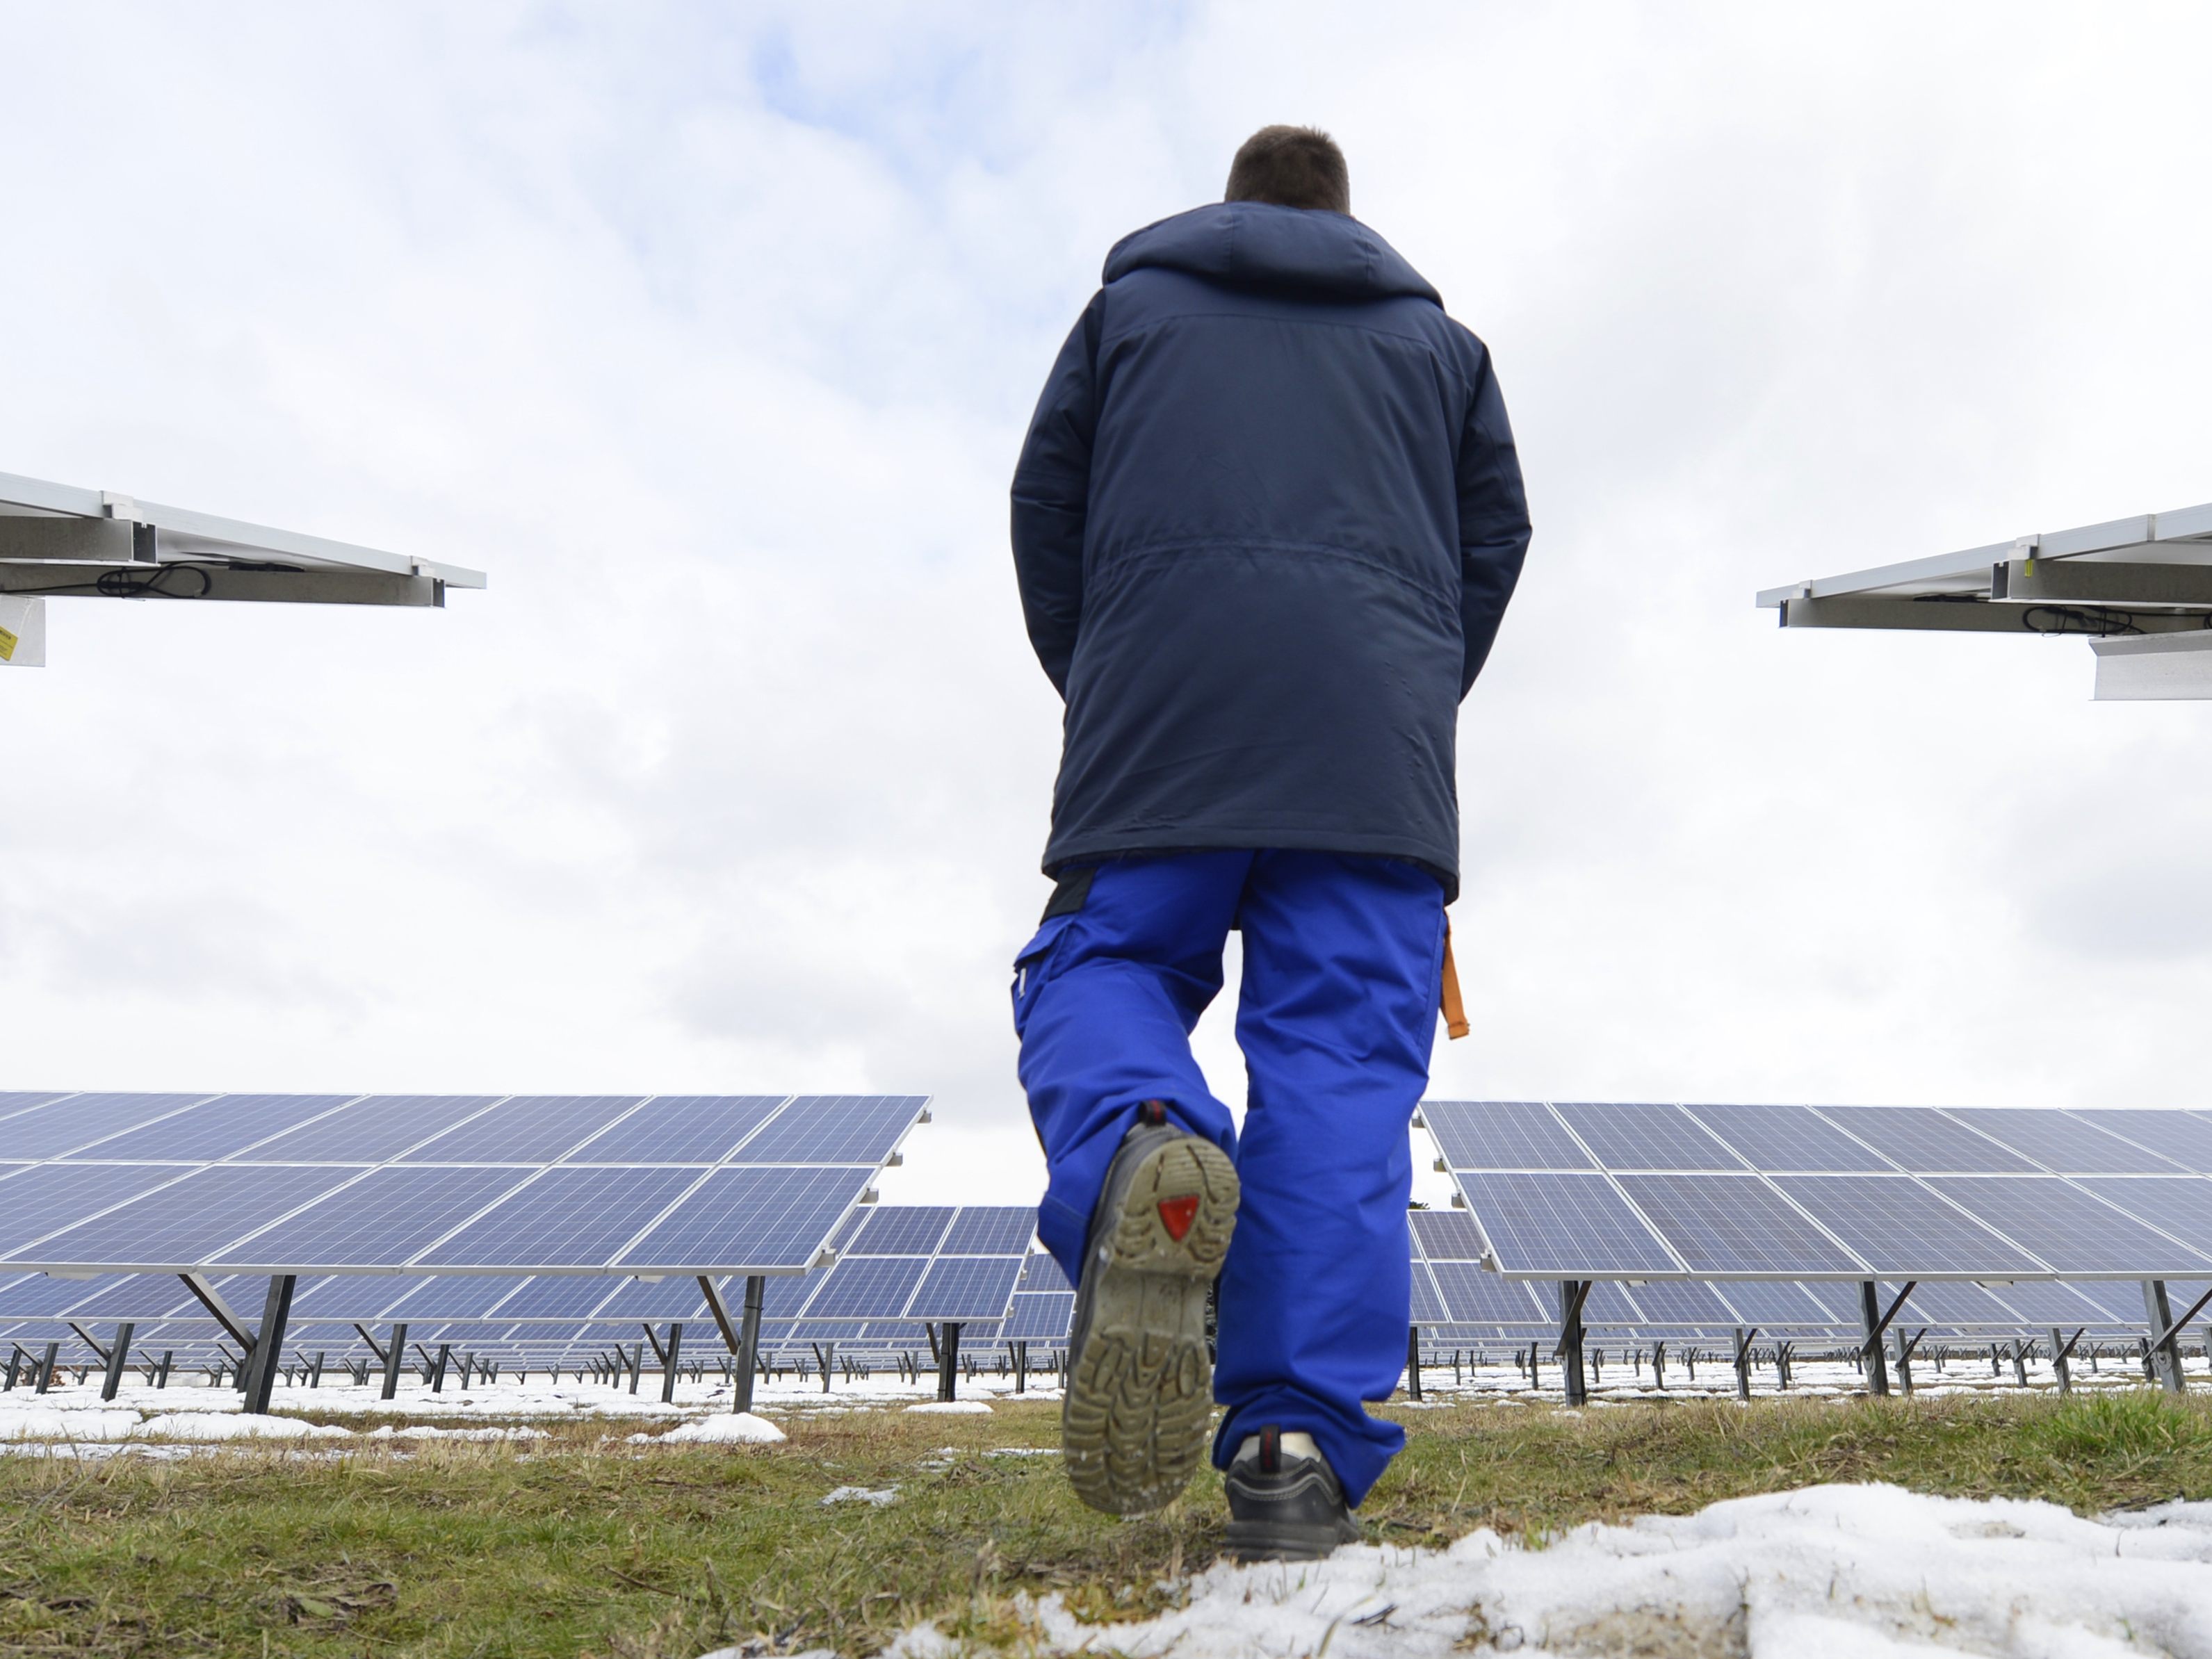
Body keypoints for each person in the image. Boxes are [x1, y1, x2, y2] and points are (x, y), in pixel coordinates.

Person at [1007, 124, 1531, 1560]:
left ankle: (1141, 1143)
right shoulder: (1445, 354)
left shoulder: (1128, 317)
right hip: (1371, 751)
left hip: (1157, 717)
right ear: (1349, 221)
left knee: (1106, 963)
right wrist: (1407, 688)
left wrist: (1103, 675)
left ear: (1226, 207)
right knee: (1341, 1063)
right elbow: (1492, 546)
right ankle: (1290, 1447)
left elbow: (1047, 510)